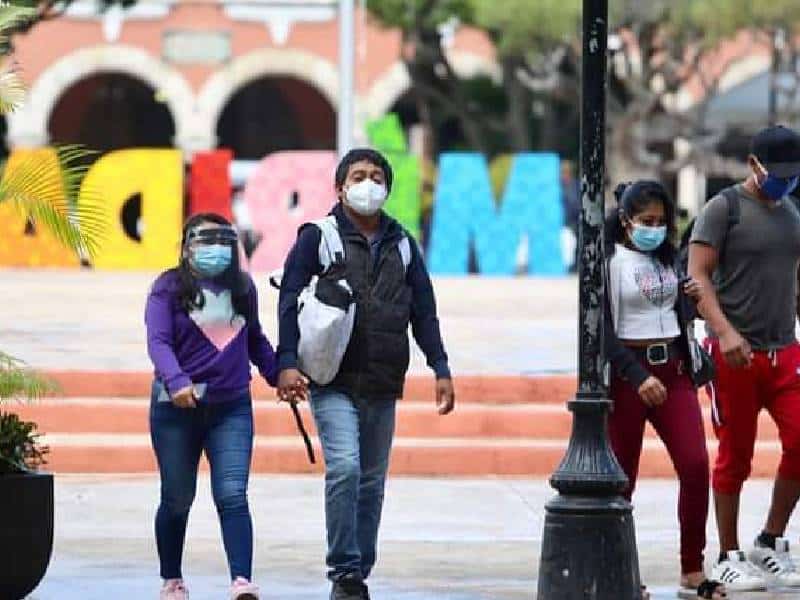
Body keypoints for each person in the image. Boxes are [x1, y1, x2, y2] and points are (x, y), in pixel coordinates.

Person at [277, 148, 456, 600]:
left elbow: (425, 311)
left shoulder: (403, 244)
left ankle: (359, 569)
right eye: (358, 176)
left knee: (372, 482)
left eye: (377, 176)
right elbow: (289, 298)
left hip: (383, 379)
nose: (368, 184)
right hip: (331, 377)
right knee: (346, 469)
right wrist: (286, 362)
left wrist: (440, 366)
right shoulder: (318, 238)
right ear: (340, 187)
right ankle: (344, 571)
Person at [145, 213, 285, 600]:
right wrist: (176, 381)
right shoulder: (167, 288)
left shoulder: (242, 288)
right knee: (177, 496)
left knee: (232, 494)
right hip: (176, 411)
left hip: (231, 408)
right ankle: (171, 578)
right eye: (205, 241)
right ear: (187, 246)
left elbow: (254, 338)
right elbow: (158, 342)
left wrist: (280, 375)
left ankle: (242, 580)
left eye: (223, 242)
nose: (214, 250)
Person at [689, 124, 800, 591]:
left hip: (784, 350)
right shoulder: (724, 208)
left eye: (793, 174)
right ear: (753, 165)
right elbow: (697, 276)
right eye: (777, 173)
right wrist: (726, 332)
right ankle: (728, 554)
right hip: (733, 353)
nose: (785, 181)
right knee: (736, 456)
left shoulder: (793, 212)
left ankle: (770, 541)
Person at [605, 181, 725, 600]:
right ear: (625, 223)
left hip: (672, 369)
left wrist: (689, 298)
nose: (654, 229)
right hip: (628, 375)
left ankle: (692, 568)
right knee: (622, 482)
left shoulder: (668, 260)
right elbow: (598, 331)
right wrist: (636, 377)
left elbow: (673, 313)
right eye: (645, 222)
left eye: (661, 222)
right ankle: (623, 574)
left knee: (695, 466)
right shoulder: (608, 262)